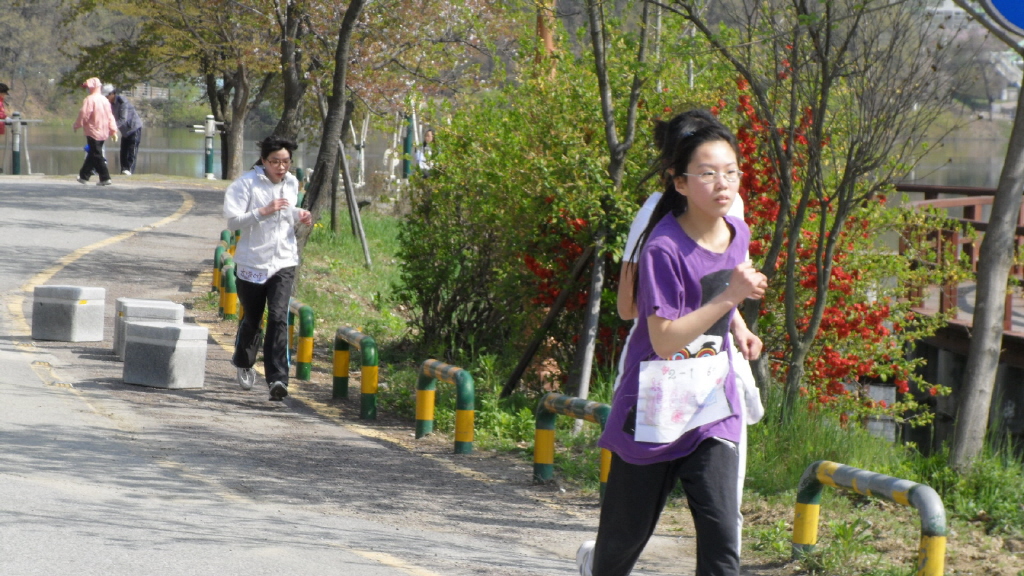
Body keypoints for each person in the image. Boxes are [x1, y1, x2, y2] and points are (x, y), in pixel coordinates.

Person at [577, 111, 768, 576]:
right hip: (657, 400)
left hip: (711, 401)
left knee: (723, 532)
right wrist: (729, 297)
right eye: (708, 172)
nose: (723, 183)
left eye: (731, 172)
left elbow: (717, 285)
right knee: (622, 542)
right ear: (679, 180)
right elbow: (659, 337)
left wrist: (736, 321)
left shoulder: (736, 229)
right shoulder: (660, 243)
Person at [223, 137, 313, 401]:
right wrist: (263, 211)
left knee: (277, 317)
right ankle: (244, 361)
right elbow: (233, 222)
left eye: (285, 161)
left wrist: (300, 215)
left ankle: (277, 379)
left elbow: (287, 214)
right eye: (275, 161)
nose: (281, 167)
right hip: (252, 262)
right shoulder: (245, 184)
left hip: (283, 261)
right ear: (263, 161)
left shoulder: (292, 183)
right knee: (253, 319)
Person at [73, 77, 117, 186]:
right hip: (103, 132)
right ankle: (84, 176)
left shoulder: (90, 99)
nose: (87, 89)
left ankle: (105, 177)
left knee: (96, 154)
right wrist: (113, 130)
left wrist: (77, 124)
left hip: (93, 131)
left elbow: (84, 113)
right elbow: (110, 116)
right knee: (93, 153)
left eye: (88, 87)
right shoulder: (104, 100)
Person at [103, 84, 143, 175]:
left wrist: (112, 129)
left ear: (112, 93)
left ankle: (129, 170)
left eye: (107, 95)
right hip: (124, 131)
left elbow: (123, 119)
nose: (106, 97)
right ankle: (123, 171)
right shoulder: (108, 104)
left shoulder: (122, 101)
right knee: (123, 152)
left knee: (132, 150)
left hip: (134, 128)